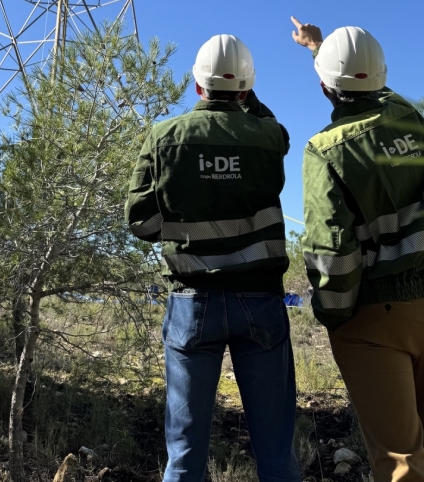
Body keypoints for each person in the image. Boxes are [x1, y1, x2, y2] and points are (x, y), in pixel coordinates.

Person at [292, 17, 424, 482]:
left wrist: (335, 315)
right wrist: (321, 47)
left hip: (376, 318)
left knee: (401, 465)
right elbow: (372, 87)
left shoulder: (326, 150)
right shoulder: (416, 121)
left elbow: (331, 251)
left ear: (325, 86)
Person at [126, 34, 301, 482]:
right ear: (246, 89)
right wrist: (246, 97)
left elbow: (140, 224)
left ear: (197, 85)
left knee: (184, 455)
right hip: (260, 303)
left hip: (192, 303)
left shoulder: (164, 137)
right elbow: (274, 130)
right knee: (277, 452)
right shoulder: (267, 135)